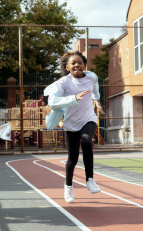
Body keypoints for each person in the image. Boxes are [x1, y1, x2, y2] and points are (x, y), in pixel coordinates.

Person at [44, 51, 105, 203]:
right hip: (71, 124)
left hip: (88, 119)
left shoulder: (92, 77)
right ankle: (68, 186)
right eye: (73, 63)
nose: (77, 65)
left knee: (86, 142)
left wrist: (97, 101)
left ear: (85, 65)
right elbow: (52, 102)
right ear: (67, 67)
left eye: (80, 62)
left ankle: (90, 180)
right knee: (72, 159)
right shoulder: (63, 82)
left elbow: (95, 89)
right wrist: (73, 98)